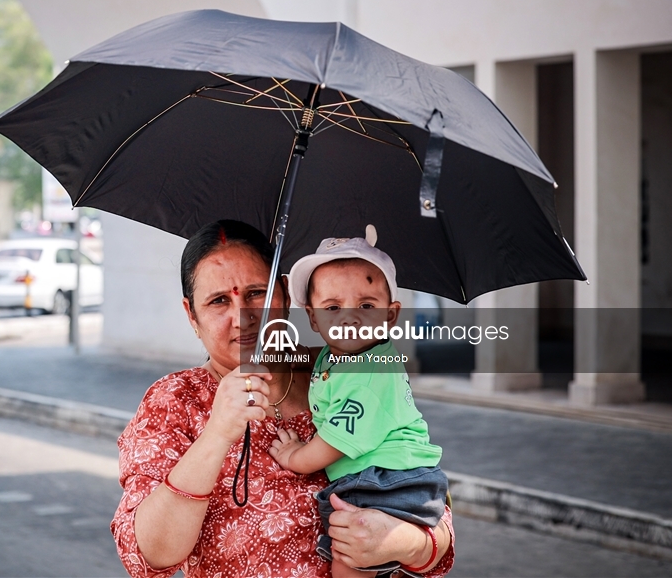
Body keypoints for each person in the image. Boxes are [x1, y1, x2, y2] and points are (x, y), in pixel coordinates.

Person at [111, 220, 454, 578]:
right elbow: (149, 555)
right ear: (192, 316)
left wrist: (407, 544)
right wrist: (216, 434)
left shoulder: (341, 372)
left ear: (286, 296)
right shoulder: (175, 402)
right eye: (218, 301)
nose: (242, 317)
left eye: (257, 293)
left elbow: (429, 502)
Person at [269, 227, 448, 578]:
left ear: (390, 315)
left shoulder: (371, 372)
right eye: (333, 307)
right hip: (378, 479)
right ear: (313, 318)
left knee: (350, 559)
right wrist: (281, 354)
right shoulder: (339, 355)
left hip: (391, 483)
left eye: (366, 306)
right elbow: (314, 359)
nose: (349, 318)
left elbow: (336, 440)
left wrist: (296, 457)